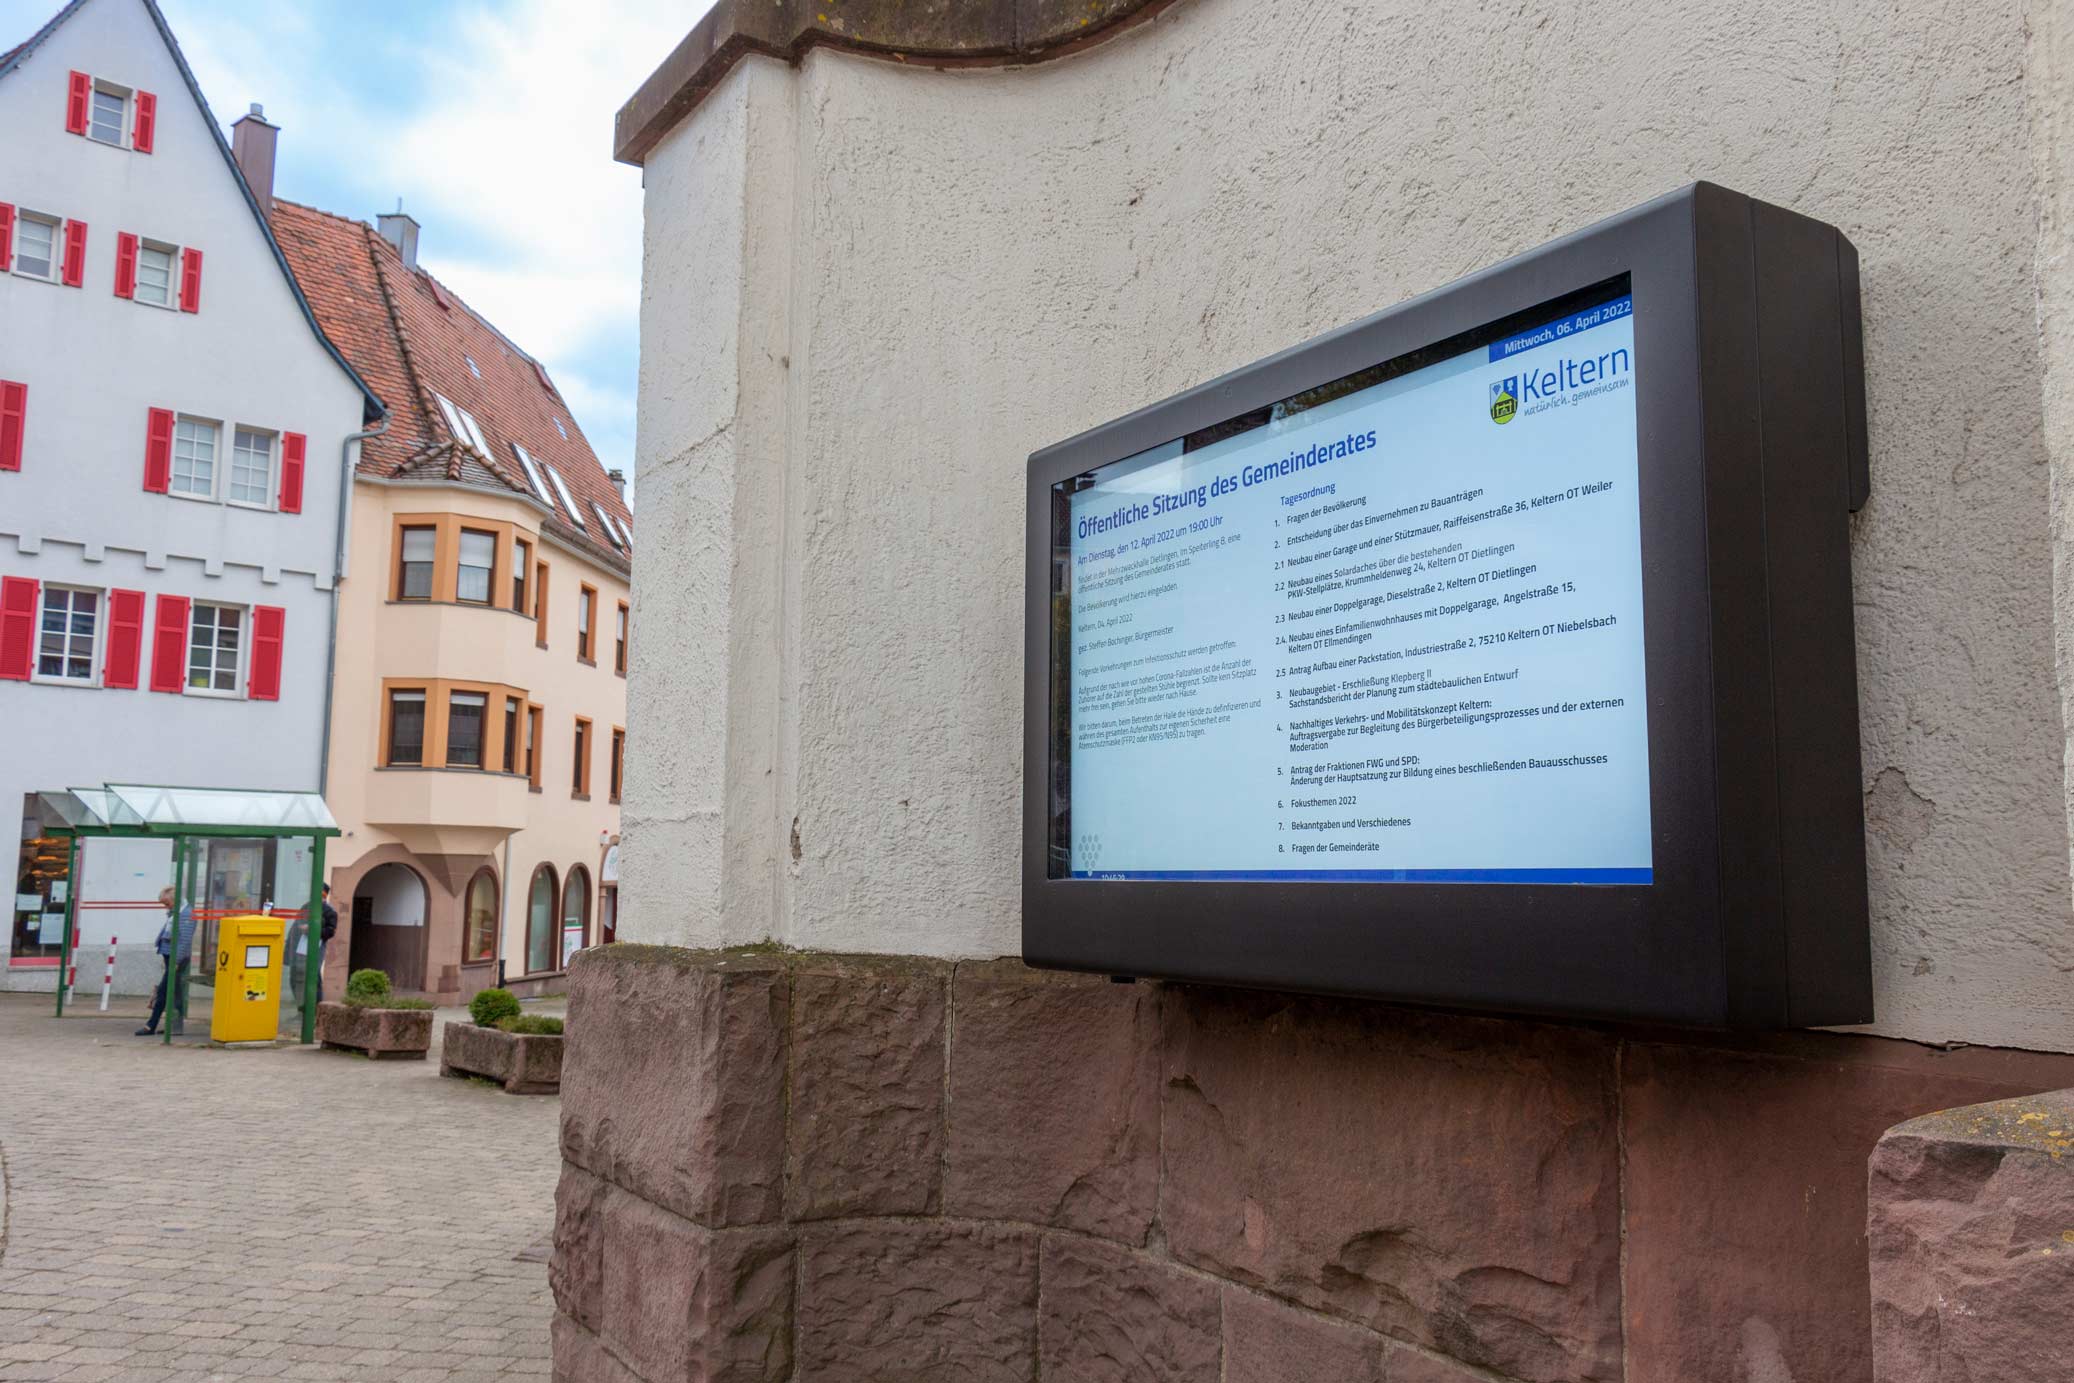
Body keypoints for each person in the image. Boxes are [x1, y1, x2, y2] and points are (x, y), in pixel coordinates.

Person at [137, 886, 196, 1037]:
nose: (166, 906)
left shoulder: (186, 914)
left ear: (175, 900)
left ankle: (151, 1025)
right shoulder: (177, 912)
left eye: (166, 903)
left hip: (176, 958)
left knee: (164, 991)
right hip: (170, 956)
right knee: (173, 992)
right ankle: (174, 1026)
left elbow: (184, 940)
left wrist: (175, 961)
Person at [317, 884, 337, 1002]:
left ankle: (316, 1007)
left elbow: (331, 931)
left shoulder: (329, 911)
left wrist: (313, 930)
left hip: (318, 945)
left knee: (314, 976)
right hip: (300, 947)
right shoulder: (306, 906)